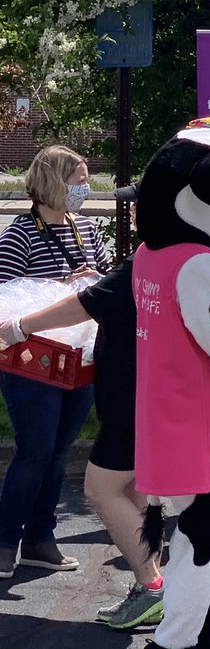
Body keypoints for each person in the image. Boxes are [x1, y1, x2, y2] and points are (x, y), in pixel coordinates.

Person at [0, 182, 165, 627]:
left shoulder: (150, 259)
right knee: (128, 490)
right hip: (127, 391)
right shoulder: (175, 258)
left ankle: (154, 588)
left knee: (100, 487)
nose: (128, 214)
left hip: (124, 392)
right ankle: (153, 587)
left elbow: (92, 300)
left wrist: (20, 324)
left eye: (135, 207)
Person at [0, 145, 110, 579]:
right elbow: (7, 299)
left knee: (59, 450)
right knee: (35, 450)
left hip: (79, 356)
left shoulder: (86, 228)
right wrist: (60, 289)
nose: (84, 188)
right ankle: (7, 539)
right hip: (32, 361)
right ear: (53, 182)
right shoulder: (19, 234)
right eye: (78, 180)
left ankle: (41, 539)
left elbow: (105, 281)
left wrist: (91, 281)